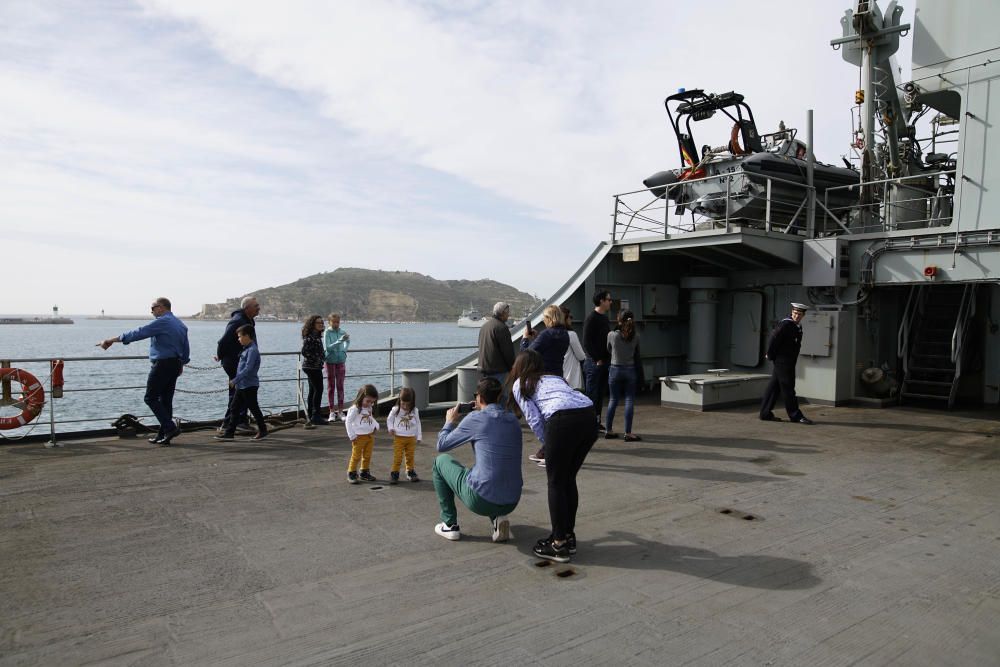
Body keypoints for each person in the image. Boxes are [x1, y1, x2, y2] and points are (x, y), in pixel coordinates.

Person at [508, 349, 597, 563]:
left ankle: (558, 545)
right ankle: (568, 535)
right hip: (588, 416)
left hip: (562, 420)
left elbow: (534, 419)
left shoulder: (521, 383)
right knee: (567, 480)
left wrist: (547, 445)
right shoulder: (554, 378)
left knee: (555, 483)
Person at [433, 377, 522, 543]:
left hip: (481, 499)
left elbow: (442, 444)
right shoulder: (513, 420)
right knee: (487, 470)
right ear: (498, 397)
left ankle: (449, 524)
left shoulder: (475, 419)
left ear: (479, 398)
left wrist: (449, 422)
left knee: (441, 462)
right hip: (512, 499)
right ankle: (497, 518)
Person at [97, 297, 190, 446]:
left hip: (163, 364)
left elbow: (139, 332)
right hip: (175, 364)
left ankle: (170, 427)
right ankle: (164, 434)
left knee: (150, 398)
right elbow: (185, 347)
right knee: (166, 400)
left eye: (153, 308)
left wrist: (112, 340)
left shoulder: (163, 322)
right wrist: (182, 363)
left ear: (161, 307)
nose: (151, 311)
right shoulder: (180, 324)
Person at [759, 303, 815, 425]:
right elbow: (774, 338)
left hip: (788, 361)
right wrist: (770, 354)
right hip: (783, 361)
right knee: (788, 388)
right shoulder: (786, 324)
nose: (797, 316)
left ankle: (765, 413)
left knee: (774, 387)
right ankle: (795, 415)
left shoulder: (797, 326)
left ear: (803, 315)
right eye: (795, 313)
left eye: (799, 314)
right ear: (792, 312)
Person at [214, 325, 268, 441]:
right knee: (234, 408)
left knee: (254, 408)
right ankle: (230, 433)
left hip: (249, 385)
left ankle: (262, 430)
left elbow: (248, 368)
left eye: (240, 336)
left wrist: (235, 380)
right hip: (242, 385)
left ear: (247, 336)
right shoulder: (246, 349)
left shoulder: (252, 350)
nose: (238, 339)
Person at [216, 296, 260, 433]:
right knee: (239, 392)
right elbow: (222, 341)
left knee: (239, 393)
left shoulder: (247, 320)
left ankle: (234, 422)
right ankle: (235, 423)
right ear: (247, 308)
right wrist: (221, 356)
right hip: (235, 362)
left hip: (241, 361)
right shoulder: (238, 321)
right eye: (256, 306)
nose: (259, 308)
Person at [605, 310, 641, 441]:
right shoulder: (636, 336)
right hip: (630, 370)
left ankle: (609, 430)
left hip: (615, 369)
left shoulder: (612, 335)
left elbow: (608, 349)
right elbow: (637, 352)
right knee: (629, 400)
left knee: (613, 400)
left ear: (619, 320)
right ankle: (628, 433)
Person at [582, 290, 613, 430]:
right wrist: (597, 359)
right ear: (601, 301)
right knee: (592, 394)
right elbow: (587, 342)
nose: (610, 302)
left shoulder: (605, 318)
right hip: (594, 363)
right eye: (608, 299)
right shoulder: (591, 318)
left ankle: (596, 421)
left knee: (600, 394)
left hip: (604, 362)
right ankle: (589, 424)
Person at [520, 304, 569, 376]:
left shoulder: (546, 334)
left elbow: (526, 355)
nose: (543, 320)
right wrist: (539, 337)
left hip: (544, 376)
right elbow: (551, 347)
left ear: (549, 318)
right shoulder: (565, 333)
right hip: (557, 374)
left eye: (544, 318)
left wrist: (525, 338)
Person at [345, 384, 380, 483]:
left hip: (369, 436)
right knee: (356, 455)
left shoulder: (369, 408)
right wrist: (351, 435)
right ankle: (351, 472)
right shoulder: (355, 409)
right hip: (358, 437)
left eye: (372, 402)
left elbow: (370, 418)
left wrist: (376, 425)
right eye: (368, 401)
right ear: (361, 397)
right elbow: (348, 422)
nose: (369, 404)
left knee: (367, 455)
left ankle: (364, 472)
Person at [386, 387, 421, 484]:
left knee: (410, 456)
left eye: (408, 404)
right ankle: (394, 473)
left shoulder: (414, 411)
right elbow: (389, 419)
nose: (405, 406)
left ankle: (410, 471)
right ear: (399, 400)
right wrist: (390, 428)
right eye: (403, 403)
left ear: (412, 402)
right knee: (398, 457)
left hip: (411, 438)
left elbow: (418, 423)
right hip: (399, 437)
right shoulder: (396, 409)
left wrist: (419, 436)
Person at [478, 302, 516, 386]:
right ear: (503, 313)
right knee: (501, 396)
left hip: (483, 369)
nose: (508, 315)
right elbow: (507, 352)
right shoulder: (502, 328)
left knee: (488, 396)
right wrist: (512, 368)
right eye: (508, 312)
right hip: (498, 371)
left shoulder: (484, 326)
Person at [300, 315, 326, 427]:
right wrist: (317, 359)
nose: (321, 324)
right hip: (312, 367)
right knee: (318, 389)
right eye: (318, 323)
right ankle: (316, 415)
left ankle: (312, 413)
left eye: (321, 322)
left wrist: (321, 357)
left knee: (313, 390)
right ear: (312, 324)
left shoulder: (317, 336)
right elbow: (305, 352)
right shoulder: (310, 337)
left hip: (313, 367)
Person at [324, 313, 350, 422]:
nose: (336, 324)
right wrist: (340, 341)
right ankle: (331, 412)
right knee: (331, 386)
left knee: (340, 386)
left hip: (341, 361)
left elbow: (347, 341)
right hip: (330, 361)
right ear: (329, 322)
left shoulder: (342, 332)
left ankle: (340, 411)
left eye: (337, 322)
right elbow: (328, 348)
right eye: (334, 322)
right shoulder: (327, 332)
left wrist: (344, 350)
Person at [561, 306, 586, 391]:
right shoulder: (571, 334)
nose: (571, 319)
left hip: (558, 378)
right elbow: (581, 356)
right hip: (571, 378)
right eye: (570, 317)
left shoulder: (550, 334)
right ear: (565, 319)